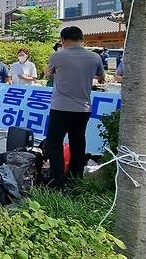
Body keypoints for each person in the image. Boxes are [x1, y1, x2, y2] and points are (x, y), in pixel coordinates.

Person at [44, 26, 105, 188]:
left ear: (63, 40)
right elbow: (101, 78)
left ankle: (57, 181)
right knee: (77, 142)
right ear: (81, 39)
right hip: (83, 108)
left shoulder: (58, 56)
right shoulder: (95, 57)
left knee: (54, 143)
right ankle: (75, 179)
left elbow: (48, 74)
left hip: (60, 108)